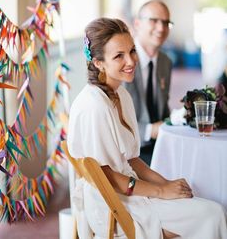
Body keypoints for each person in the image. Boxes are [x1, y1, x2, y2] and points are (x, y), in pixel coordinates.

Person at [68, 17, 227, 239]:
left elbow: (132, 160)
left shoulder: (121, 94)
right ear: (98, 63)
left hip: (130, 190)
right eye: (118, 56)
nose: (131, 61)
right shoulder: (93, 106)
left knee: (200, 201)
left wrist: (167, 184)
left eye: (132, 51)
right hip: (112, 204)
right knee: (213, 213)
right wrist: (161, 191)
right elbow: (109, 178)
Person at [124, 0, 172, 164]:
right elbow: (112, 120)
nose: (161, 28)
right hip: (128, 152)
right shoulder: (121, 61)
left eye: (166, 22)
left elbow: (163, 111)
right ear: (137, 24)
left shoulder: (166, 62)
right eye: (154, 20)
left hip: (160, 146)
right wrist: (150, 131)